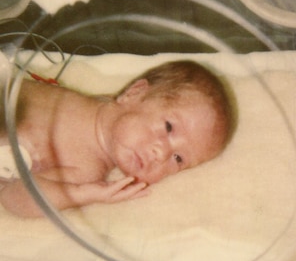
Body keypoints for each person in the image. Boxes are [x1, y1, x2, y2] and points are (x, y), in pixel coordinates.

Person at [0, 59, 235, 218]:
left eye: (178, 158)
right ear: (134, 93)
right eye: (168, 127)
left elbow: (13, 196)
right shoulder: (93, 103)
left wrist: (82, 193)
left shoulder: (86, 170)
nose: (161, 154)